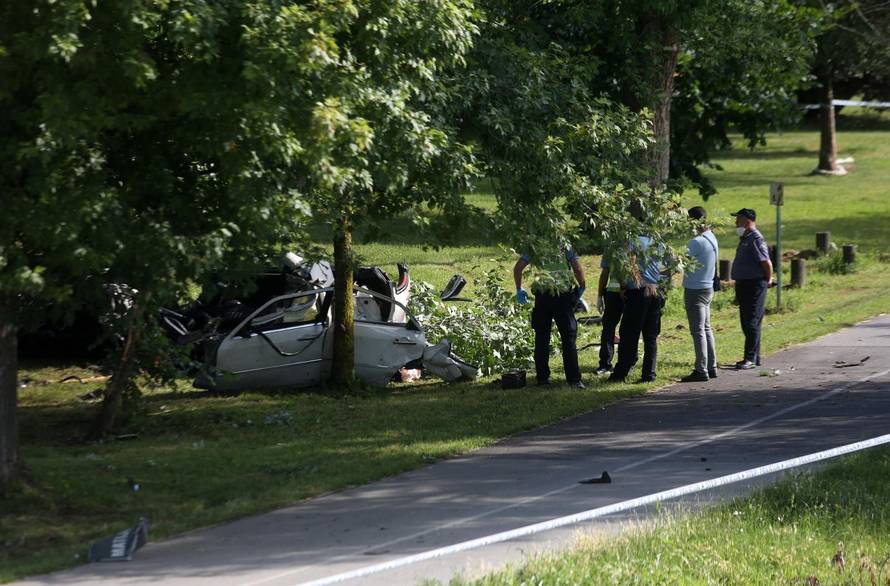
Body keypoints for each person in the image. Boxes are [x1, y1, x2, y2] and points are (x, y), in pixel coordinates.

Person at [607, 206, 666, 384]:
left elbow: (625, 265)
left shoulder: (629, 242)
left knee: (629, 334)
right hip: (655, 290)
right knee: (650, 336)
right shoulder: (658, 242)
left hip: (638, 291)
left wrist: (624, 287)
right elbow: (667, 268)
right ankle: (649, 374)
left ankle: (620, 374)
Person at [514, 245, 587, 389]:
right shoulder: (564, 244)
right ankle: (574, 380)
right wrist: (582, 286)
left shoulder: (534, 245)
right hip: (562, 295)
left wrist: (519, 289)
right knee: (568, 337)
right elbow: (577, 269)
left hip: (542, 296)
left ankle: (542, 378)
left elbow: (518, 268)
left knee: (541, 338)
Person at [730, 208, 773, 369]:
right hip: (745, 284)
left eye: (738, 219)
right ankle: (754, 356)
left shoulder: (755, 238)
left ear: (747, 221)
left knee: (751, 321)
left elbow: (766, 262)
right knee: (747, 321)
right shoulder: (745, 237)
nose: (736, 223)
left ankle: (750, 358)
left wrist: (768, 279)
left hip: (754, 284)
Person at [680, 206, 718, 382]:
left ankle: (701, 369)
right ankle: (712, 366)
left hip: (695, 289)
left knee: (698, 331)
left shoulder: (696, 242)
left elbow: (679, 264)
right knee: (706, 328)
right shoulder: (711, 237)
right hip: (708, 287)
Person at [595, 261, 623, 375]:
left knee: (625, 329)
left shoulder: (612, 247)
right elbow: (605, 273)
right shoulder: (611, 248)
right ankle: (606, 364)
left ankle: (625, 363)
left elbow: (604, 273)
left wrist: (600, 295)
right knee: (608, 329)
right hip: (615, 293)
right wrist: (600, 295)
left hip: (626, 292)